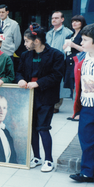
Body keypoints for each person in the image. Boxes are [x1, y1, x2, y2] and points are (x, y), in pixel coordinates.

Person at [16, 24, 64, 172]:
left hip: (46, 96)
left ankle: (48, 160)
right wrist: (20, 80)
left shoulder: (56, 55)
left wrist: (37, 83)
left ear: (36, 41)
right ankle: (36, 157)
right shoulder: (25, 55)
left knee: (43, 128)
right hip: (28, 96)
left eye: (26, 41)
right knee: (32, 128)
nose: (24, 44)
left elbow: (56, 76)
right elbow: (19, 72)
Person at [70, 23, 94, 182]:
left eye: (85, 40)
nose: (81, 43)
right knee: (86, 138)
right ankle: (88, 171)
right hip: (86, 106)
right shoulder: (82, 58)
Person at [46, 11, 73, 113]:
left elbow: (69, 51)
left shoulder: (68, 33)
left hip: (61, 62)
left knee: (59, 84)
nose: (54, 20)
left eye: (56, 18)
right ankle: (49, 103)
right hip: (48, 62)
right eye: (53, 18)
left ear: (62, 19)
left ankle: (56, 105)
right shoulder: (48, 34)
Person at [63, 15, 87, 121]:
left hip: (78, 64)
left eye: (77, 21)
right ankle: (75, 112)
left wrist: (73, 45)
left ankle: (78, 113)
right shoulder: (70, 34)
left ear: (82, 23)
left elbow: (86, 49)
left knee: (78, 88)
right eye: (73, 21)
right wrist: (66, 49)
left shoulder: (84, 35)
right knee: (73, 88)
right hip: (69, 64)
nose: (74, 23)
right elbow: (69, 49)